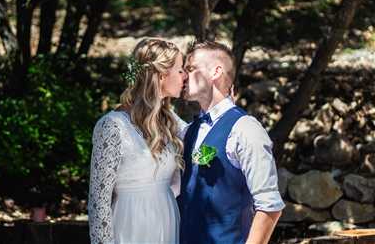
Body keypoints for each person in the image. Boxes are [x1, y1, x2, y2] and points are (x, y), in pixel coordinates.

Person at [178, 41, 285, 244]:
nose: (184, 75)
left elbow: (270, 206)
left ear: (215, 72)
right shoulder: (190, 130)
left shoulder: (245, 129)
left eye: (190, 68)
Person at [88, 38, 187, 244]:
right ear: (161, 75)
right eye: (180, 70)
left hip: (166, 221)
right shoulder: (113, 125)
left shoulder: (170, 121)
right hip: (130, 225)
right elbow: (99, 201)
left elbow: (203, 138)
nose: (185, 76)